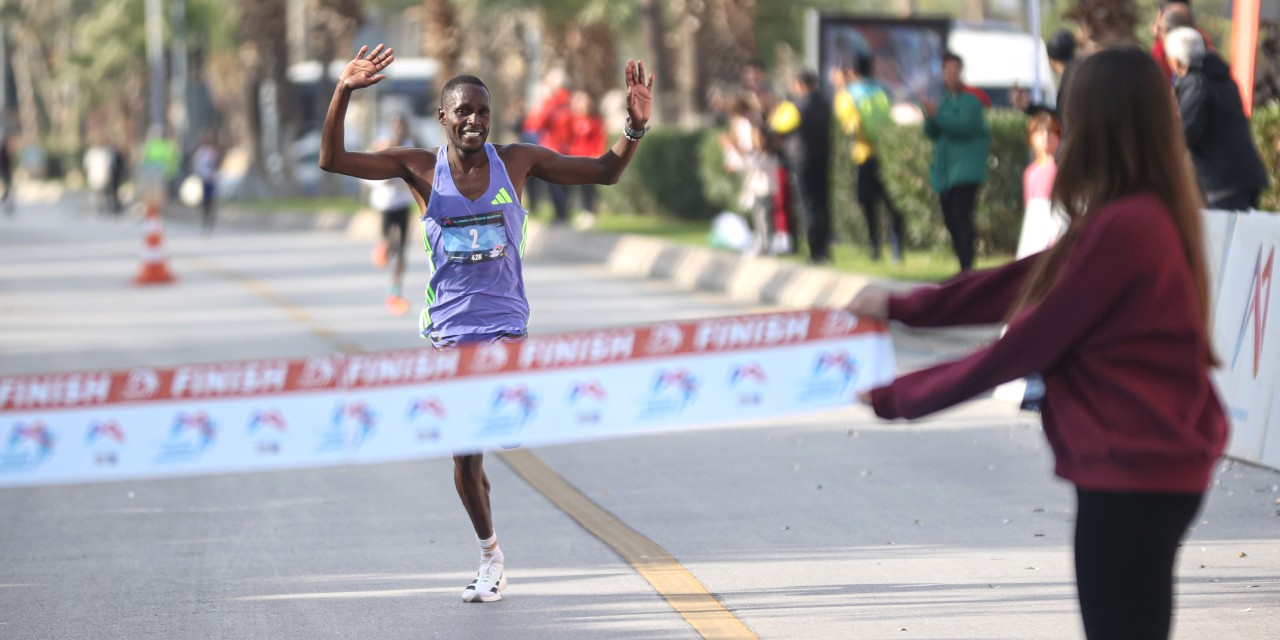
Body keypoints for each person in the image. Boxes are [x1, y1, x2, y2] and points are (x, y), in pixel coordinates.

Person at [850, 47, 1226, 640]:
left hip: (1134, 475)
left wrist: (896, 396)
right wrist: (900, 307)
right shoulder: (1134, 215)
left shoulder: (1126, 227)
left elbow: (1026, 343)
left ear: (1095, 124)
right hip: (1145, 470)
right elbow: (1023, 282)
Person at [319, 43, 654, 603]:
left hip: (505, 331)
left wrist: (634, 128)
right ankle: (490, 556)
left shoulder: (517, 162)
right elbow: (333, 159)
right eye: (463, 112)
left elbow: (605, 172)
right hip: (451, 333)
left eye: (483, 111)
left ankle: (504, 405)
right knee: (464, 452)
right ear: (445, 118)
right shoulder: (419, 168)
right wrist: (343, 90)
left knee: (489, 428)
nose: (474, 120)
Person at [1165, 28, 1270, 211]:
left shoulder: (1196, 83)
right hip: (1245, 175)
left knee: (1222, 237)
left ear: (1176, 61)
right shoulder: (1223, 79)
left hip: (1220, 181)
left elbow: (1186, 131)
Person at [923, 52, 990, 273]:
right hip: (947, 173)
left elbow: (961, 126)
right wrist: (929, 116)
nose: (950, 75)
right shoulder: (944, 100)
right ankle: (963, 266)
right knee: (951, 219)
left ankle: (967, 267)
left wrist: (938, 114)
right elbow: (933, 132)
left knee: (962, 218)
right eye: (946, 71)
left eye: (954, 70)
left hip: (965, 171)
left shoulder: (972, 101)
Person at [837, 54, 905, 263]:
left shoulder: (848, 95)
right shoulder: (883, 91)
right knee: (892, 204)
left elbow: (850, 126)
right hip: (887, 153)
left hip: (864, 155)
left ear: (852, 72)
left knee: (869, 205)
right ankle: (897, 249)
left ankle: (875, 249)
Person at [770, 69, 832, 263]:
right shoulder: (825, 103)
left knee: (808, 205)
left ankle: (814, 251)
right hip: (822, 158)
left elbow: (777, 126)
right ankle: (825, 250)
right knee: (823, 203)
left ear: (800, 84)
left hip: (801, 159)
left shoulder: (795, 105)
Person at [366, 114, 419, 314]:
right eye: (396, 126)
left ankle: (395, 293)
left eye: (402, 127)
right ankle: (384, 246)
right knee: (390, 245)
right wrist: (381, 179)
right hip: (386, 203)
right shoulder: (382, 145)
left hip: (403, 204)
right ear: (391, 127)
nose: (399, 130)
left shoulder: (411, 147)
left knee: (401, 252)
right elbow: (367, 170)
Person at [522, 69, 574, 224]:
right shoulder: (558, 102)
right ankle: (562, 213)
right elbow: (533, 124)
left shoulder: (557, 102)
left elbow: (536, 123)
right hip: (558, 147)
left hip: (557, 147)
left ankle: (562, 214)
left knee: (557, 182)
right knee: (560, 182)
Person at [1017, 112, 1064, 258]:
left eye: (1051, 132)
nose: (1046, 136)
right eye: (1040, 132)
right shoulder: (1030, 172)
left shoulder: (1061, 170)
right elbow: (1030, 207)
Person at [567, 91, 605, 220]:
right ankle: (576, 209)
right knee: (575, 185)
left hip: (588, 157)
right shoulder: (572, 119)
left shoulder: (594, 120)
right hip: (575, 156)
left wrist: (598, 152)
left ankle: (589, 211)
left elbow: (600, 138)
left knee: (588, 186)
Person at [191, 130, 222, 234]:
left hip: (211, 179)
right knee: (204, 201)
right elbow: (196, 164)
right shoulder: (200, 152)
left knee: (211, 200)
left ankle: (210, 218)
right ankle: (205, 218)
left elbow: (216, 164)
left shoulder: (213, 151)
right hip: (203, 179)